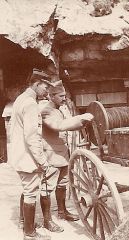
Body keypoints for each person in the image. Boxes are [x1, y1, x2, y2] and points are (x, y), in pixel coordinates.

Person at [40, 80, 94, 231]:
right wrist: (81, 119)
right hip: (51, 155)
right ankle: (47, 220)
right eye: (61, 96)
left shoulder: (60, 108)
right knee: (47, 188)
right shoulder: (46, 111)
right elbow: (59, 126)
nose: (64, 98)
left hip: (63, 153)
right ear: (51, 96)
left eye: (64, 95)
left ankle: (62, 212)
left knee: (62, 184)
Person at [9, 68, 54, 240]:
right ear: (36, 84)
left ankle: (23, 223)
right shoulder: (30, 104)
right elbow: (31, 137)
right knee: (30, 192)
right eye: (45, 87)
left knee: (27, 189)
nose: (47, 91)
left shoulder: (21, 99)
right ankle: (29, 233)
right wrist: (43, 161)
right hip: (28, 157)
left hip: (20, 155)